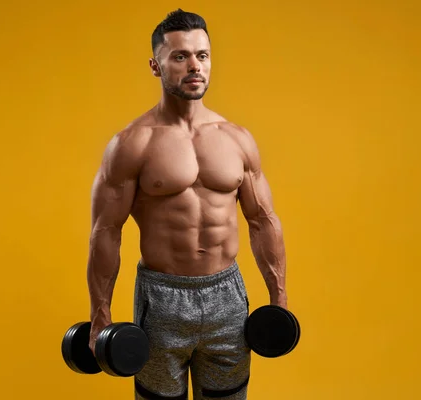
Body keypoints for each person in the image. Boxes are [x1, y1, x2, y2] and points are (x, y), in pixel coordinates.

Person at [86, 9, 288, 400]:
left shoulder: (236, 139)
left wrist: (278, 301)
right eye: (180, 56)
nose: (195, 66)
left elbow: (263, 220)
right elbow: (106, 232)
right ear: (155, 65)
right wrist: (100, 314)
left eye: (202, 55)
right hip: (162, 300)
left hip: (227, 295)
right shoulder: (132, 144)